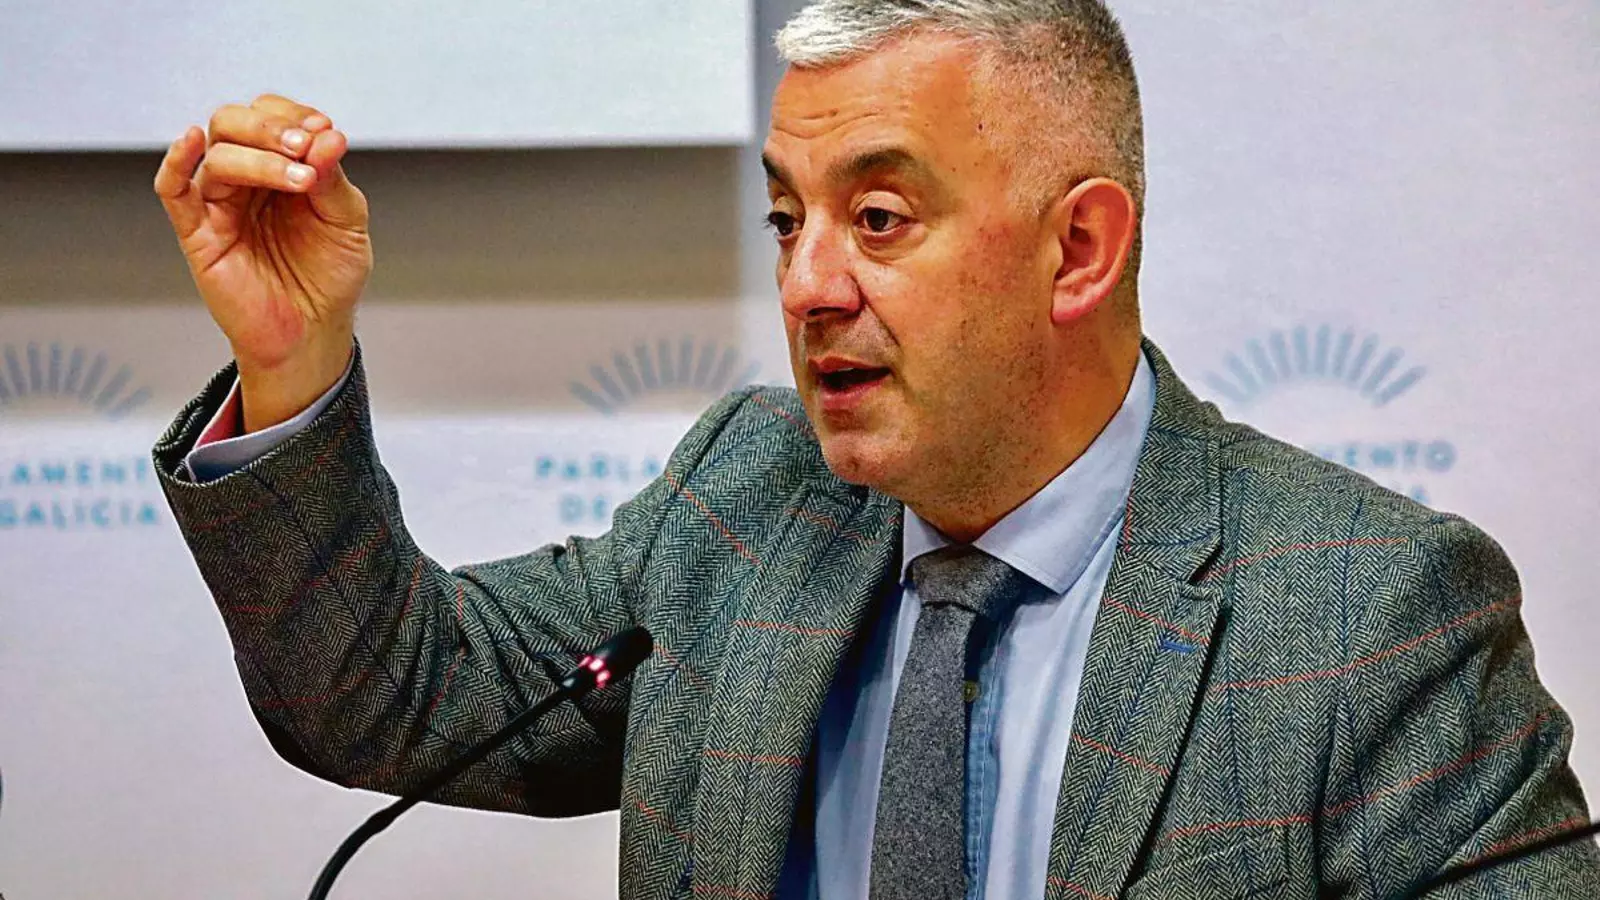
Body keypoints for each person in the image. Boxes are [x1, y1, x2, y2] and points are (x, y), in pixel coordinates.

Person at [150, 1, 1599, 897]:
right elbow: (389, 691)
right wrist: (293, 359)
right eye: (789, 219)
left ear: (1079, 249)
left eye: (881, 219)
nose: (806, 286)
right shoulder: (748, 497)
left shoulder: (1372, 619)